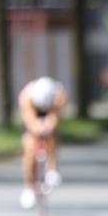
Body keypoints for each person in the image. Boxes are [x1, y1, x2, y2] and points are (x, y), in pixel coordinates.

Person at [18, 76, 67, 209]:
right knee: (29, 148)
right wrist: (36, 128)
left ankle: (52, 167)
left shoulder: (59, 96)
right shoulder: (26, 96)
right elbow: (29, 120)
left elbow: (55, 117)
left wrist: (49, 126)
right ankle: (28, 186)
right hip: (33, 114)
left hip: (51, 111)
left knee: (53, 136)